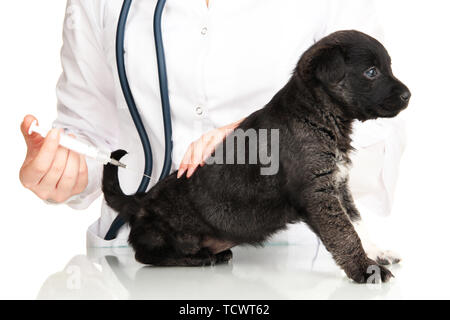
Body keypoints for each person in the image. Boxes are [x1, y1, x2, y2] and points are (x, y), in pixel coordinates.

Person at [19, 0, 405, 248]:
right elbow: (87, 135)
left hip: (288, 265)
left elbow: (378, 127)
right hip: (147, 256)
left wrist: (267, 135)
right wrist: (62, 172)